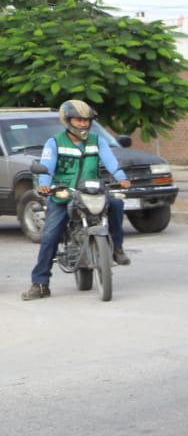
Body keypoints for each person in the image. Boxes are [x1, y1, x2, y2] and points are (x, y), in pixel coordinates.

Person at [22, 100, 131, 302]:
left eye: (86, 121)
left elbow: (111, 163)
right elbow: (46, 167)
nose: (83, 124)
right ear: (68, 120)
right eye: (79, 120)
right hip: (63, 193)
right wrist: (45, 184)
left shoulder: (97, 141)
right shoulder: (54, 143)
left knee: (116, 204)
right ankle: (40, 283)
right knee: (50, 236)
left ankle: (116, 248)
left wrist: (122, 178)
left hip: (91, 190)